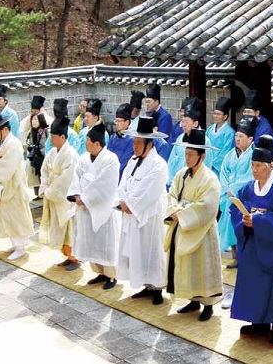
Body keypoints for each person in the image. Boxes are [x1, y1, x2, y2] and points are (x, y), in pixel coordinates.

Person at [230, 135, 273, 348]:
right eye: (252, 165)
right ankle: (258, 322)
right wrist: (244, 221)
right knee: (255, 286)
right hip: (254, 248)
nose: (254, 169)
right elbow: (235, 209)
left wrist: (257, 221)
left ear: (270, 166)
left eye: (258, 165)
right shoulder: (248, 188)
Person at [165, 129, 223, 322]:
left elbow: (207, 206)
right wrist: (174, 210)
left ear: (202, 156)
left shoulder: (210, 179)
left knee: (203, 267)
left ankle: (208, 304)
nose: (187, 158)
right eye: (186, 154)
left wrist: (180, 213)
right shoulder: (181, 174)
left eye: (191, 155)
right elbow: (172, 194)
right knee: (188, 267)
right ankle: (192, 299)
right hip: (183, 226)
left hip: (203, 230)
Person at [118, 116, 169, 305]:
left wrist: (130, 204)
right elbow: (124, 181)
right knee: (138, 250)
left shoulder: (158, 165)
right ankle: (145, 284)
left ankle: (157, 287)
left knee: (152, 249)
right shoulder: (133, 160)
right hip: (132, 212)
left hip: (149, 214)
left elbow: (150, 190)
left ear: (149, 143)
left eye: (139, 142)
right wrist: (123, 200)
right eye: (134, 141)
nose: (135, 145)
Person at [68, 123, 122, 288]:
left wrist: (85, 198)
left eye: (88, 141)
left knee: (106, 243)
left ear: (97, 143)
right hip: (85, 207)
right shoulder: (84, 158)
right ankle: (99, 272)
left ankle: (111, 276)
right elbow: (76, 176)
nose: (85, 144)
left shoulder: (111, 159)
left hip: (102, 207)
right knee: (91, 242)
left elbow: (104, 185)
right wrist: (76, 194)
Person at [0, 111, 35, 261]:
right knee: (7, 215)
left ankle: (20, 246)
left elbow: (6, 167)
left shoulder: (14, 144)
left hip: (14, 184)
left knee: (16, 215)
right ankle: (15, 243)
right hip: (3, 185)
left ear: (5, 129)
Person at [39, 116, 79, 269]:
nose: (51, 140)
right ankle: (67, 255)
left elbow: (65, 180)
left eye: (54, 137)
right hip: (53, 195)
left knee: (69, 230)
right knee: (58, 228)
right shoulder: (52, 153)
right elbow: (44, 170)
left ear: (63, 137)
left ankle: (75, 258)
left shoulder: (71, 154)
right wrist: (45, 188)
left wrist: (50, 191)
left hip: (65, 199)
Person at [218, 117, 257, 269]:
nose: (238, 139)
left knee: (242, 229)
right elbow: (223, 172)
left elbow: (249, 176)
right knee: (228, 229)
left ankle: (245, 258)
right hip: (229, 196)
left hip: (244, 197)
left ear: (251, 138)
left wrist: (233, 189)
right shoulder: (230, 154)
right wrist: (227, 188)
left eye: (241, 137)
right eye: (237, 136)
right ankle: (235, 257)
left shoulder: (253, 154)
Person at [167, 98, 214, 187]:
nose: (183, 125)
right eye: (182, 121)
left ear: (195, 124)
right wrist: (171, 182)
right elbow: (171, 162)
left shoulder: (205, 141)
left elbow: (207, 166)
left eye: (186, 122)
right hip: (176, 184)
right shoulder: (180, 138)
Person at [206, 97, 235, 176]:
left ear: (225, 116)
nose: (215, 116)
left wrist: (213, 164)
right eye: (214, 113)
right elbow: (205, 145)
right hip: (206, 164)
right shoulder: (209, 129)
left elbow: (226, 152)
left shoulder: (230, 133)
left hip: (219, 168)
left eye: (218, 114)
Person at [107, 104, 135, 179]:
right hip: (110, 172)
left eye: (119, 121)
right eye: (116, 121)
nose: (117, 123)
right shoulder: (113, 137)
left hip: (122, 175)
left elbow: (125, 161)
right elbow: (108, 154)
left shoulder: (132, 140)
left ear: (127, 123)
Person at [25, 113, 49, 190]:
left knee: (45, 176)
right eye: (32, 119)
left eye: (35, 119)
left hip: (44, 157)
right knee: (37, 175)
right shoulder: (31, 132)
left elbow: (49, 146)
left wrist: (40, 151)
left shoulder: (46, 131)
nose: (33, 121)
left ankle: (45, 193)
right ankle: (39, 193)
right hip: (36, 158)